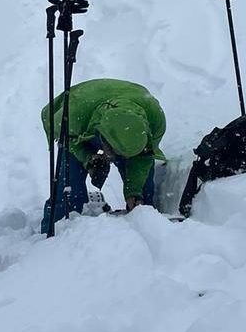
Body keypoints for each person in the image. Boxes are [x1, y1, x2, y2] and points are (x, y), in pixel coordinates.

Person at [42, 78, 166, 231]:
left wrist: (134, 191)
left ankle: (148, 222)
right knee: (67, 188)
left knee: (142, 188)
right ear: (103, 140)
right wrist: (87, 158)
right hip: (84, 118)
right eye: (116, 154)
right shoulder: (71, 116)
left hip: (130, 122)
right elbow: (66, 138)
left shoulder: (155, 120)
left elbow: (143, 157)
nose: (120, 159)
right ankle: (55, 230)